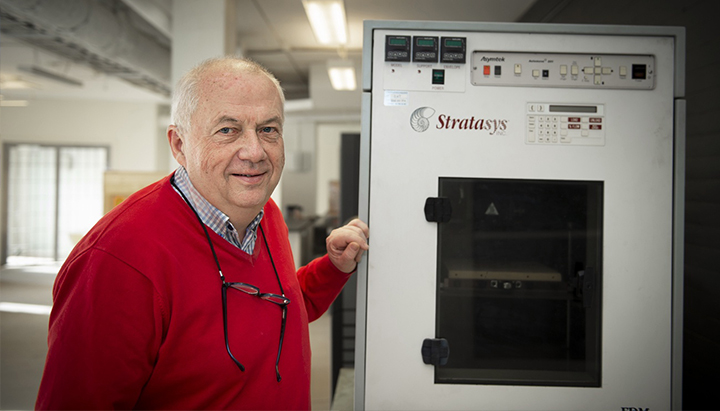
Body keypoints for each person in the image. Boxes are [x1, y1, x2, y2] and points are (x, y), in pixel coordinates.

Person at [35, 56, 369, 410]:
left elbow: (278, 308)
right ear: (179, 145)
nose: (255, 152)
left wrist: (333, 268)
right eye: (227, 130)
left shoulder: (265, 214)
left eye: (269, 129)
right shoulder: (117, 260)